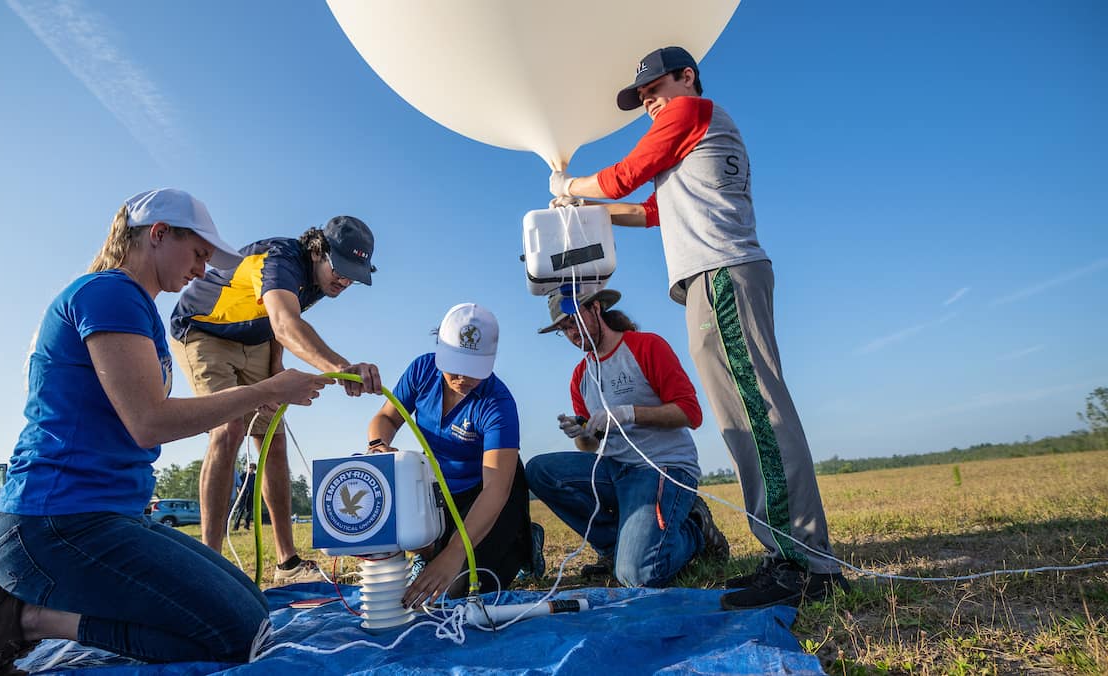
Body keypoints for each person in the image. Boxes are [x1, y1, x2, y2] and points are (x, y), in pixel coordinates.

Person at [0, 189, 335, 674]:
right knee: (235, 634)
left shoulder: (136, 306)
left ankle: (31, 607)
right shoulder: (110, 293)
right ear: (158, 234)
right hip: (55, 523)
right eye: (199, 254)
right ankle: (26, 618)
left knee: (252, 610)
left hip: (106, 516)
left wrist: (260, 389)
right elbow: (148, 423)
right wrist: (262, 391)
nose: (203, 270)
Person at [547, 46, 848, 609]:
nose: (649, 102)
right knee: (743, 419)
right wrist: (580, 209)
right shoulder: (689, 143)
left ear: (687, 78)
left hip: (721, 275)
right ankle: (787, 555)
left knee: (757, 415)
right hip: (714, 279)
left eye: (654, 88)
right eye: (641, 98)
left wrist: (570, 186)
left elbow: (621, 179)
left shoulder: (690, 111)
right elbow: (649, 210)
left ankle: (804, 562)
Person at [169, 215, 382, 585]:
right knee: (229, 426)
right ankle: (209, 565)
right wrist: (342, 368)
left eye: (353, 275)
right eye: (341, 269)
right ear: (319, 250)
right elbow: (285, 323)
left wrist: (273, 379)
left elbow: (275, 330)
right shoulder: (280, 258)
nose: (344, 281)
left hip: (255, 341)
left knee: (273, 439)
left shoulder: (318, 281)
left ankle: (288, 564)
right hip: (204, 329)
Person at [527, 289, 729, 588]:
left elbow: (690, 413)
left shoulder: (645, 346)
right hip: (614, 469)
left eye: (573, 321)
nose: (571, 333)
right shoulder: (581, 375)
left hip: (661, 467)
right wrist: (582, 433)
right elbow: (590, 446)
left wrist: (629, 414)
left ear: (596, 307)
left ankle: (695, 530)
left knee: (638, 576)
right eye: (564, 329)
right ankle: (612, 548)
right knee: (539, 471)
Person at [367, 303, 537, 607]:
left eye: (474, 369)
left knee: (458, 589)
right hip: (440, 491)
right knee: (403, 483)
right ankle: (430, 551)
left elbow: (495, 489)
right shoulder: (422, 370)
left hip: (486, 492)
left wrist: (456, 552)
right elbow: (387, 418)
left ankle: (523, 540)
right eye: (455, 365)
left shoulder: (498, 403)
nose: (462, 378)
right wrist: (379, 445)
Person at [233, 462, 257, 531]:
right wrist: (240, 493)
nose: (251, 469)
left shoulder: (255, 477)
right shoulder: (244, 475)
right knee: (240, 510)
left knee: (249, 511)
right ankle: (235, 526)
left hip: (251, 495)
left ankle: (246, 526)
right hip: (243, 495)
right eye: (250, 468)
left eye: (252, 468)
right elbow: (238, 484)